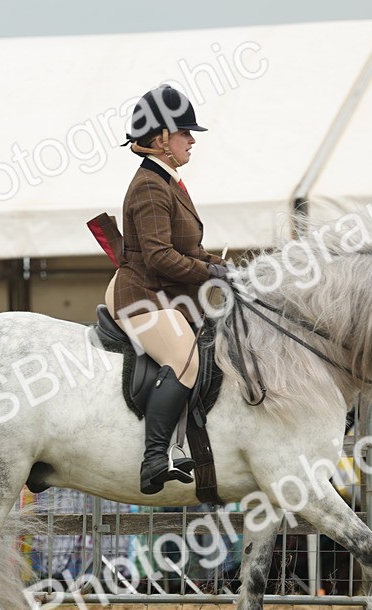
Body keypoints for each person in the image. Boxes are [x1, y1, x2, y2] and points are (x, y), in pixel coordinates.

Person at [104, 85, 229, 494]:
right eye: (184, 133)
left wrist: (222, 267)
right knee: (186, 358)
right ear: (160, 139)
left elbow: (186, 250)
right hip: (143, 296)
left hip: (165, 296)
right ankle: (154, 458)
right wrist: (210, 275)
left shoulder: (167, 182)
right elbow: (159, 257)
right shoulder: (149, 187)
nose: (192, 139)